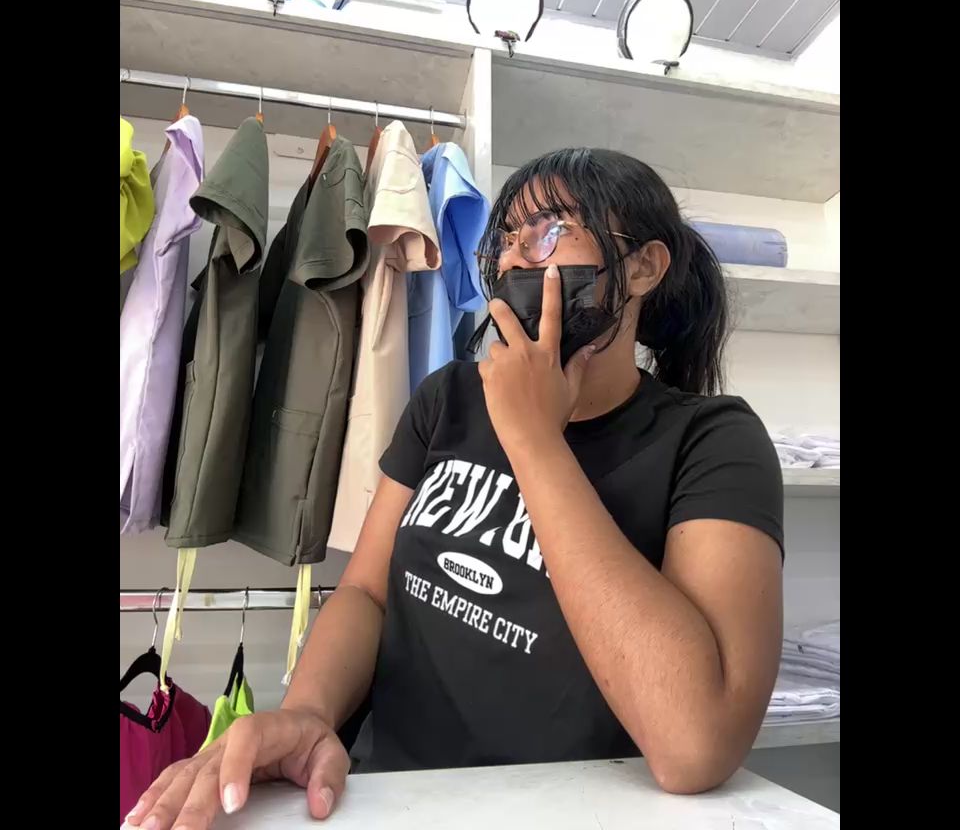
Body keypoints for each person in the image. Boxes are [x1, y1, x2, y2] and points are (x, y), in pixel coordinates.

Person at [124, 149, 784, 830]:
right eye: (509, 237)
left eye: (552, 231)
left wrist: (535, 443)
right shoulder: (449, 398)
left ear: (643, 267)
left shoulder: (713, 442)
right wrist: (308, 713)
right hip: (388, 804)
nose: (518, 256)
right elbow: (367, 593)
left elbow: (694, 745)